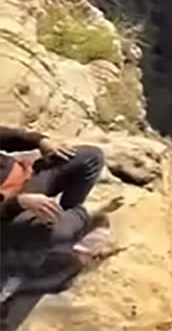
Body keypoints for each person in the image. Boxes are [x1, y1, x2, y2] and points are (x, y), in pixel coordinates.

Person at [0, 125, 121, 300]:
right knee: (57, 231)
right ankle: (69, 228)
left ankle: (64, 220)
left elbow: (5, 136)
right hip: (8, 214)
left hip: (28, 179)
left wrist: (40, 141)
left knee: (90, 158)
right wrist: (19, 203)